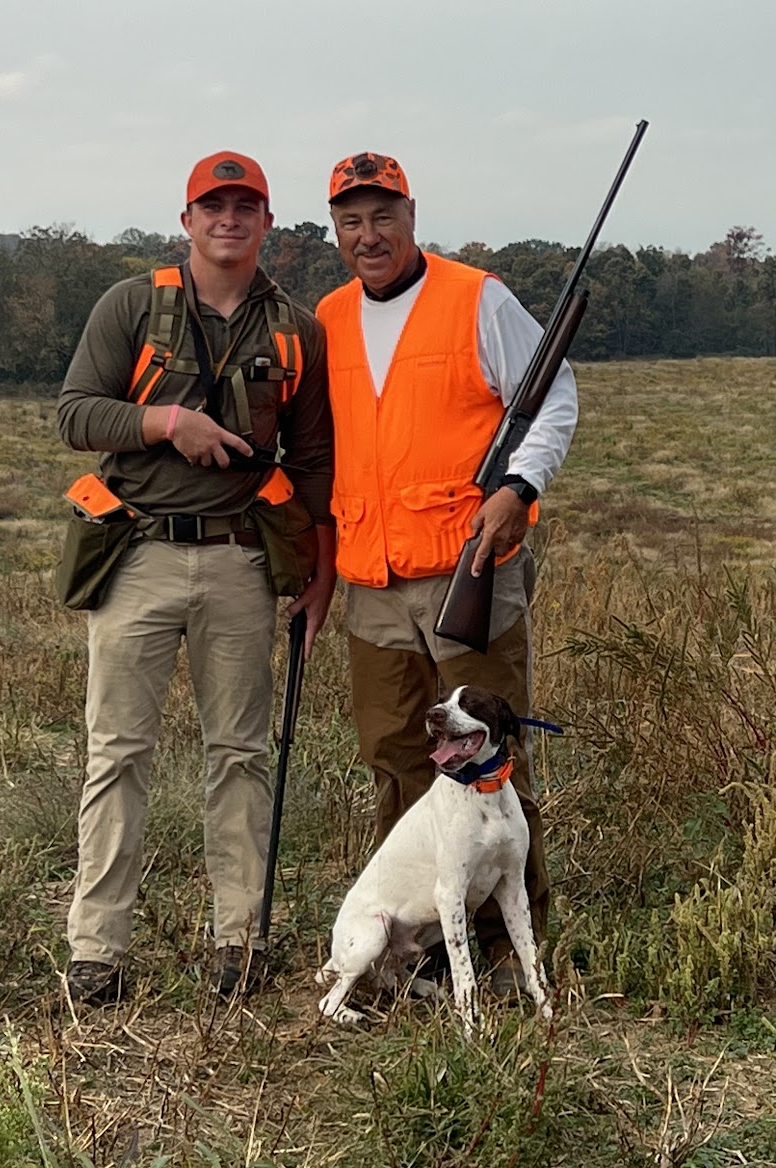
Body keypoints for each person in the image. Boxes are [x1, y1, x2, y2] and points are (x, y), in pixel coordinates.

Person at [55, 151, 335, 1005]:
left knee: (241, 754)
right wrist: (168, 422)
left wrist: (319, 573)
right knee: (117, 753)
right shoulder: (132, 305)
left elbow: (314, 461)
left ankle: (239, 941)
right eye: (213, 207)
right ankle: (96, 951)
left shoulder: (297, 330)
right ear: (186, 221)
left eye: (245, 207)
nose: (228, 220)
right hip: (136, 556)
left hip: (241, 561)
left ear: (268, 224)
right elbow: (76, 414)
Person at [314, 150, 576, 995]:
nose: (368, 235)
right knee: (397, 759)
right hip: (372, 576)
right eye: (351, 220)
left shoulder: (476, 298)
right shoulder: (329, 317)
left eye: (382, 216)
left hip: (471, 566)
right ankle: (417, 949)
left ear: (412, 215)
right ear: (336, 230)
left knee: (492, 763)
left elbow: (553, 396)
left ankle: (506, 958)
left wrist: (517, 489)